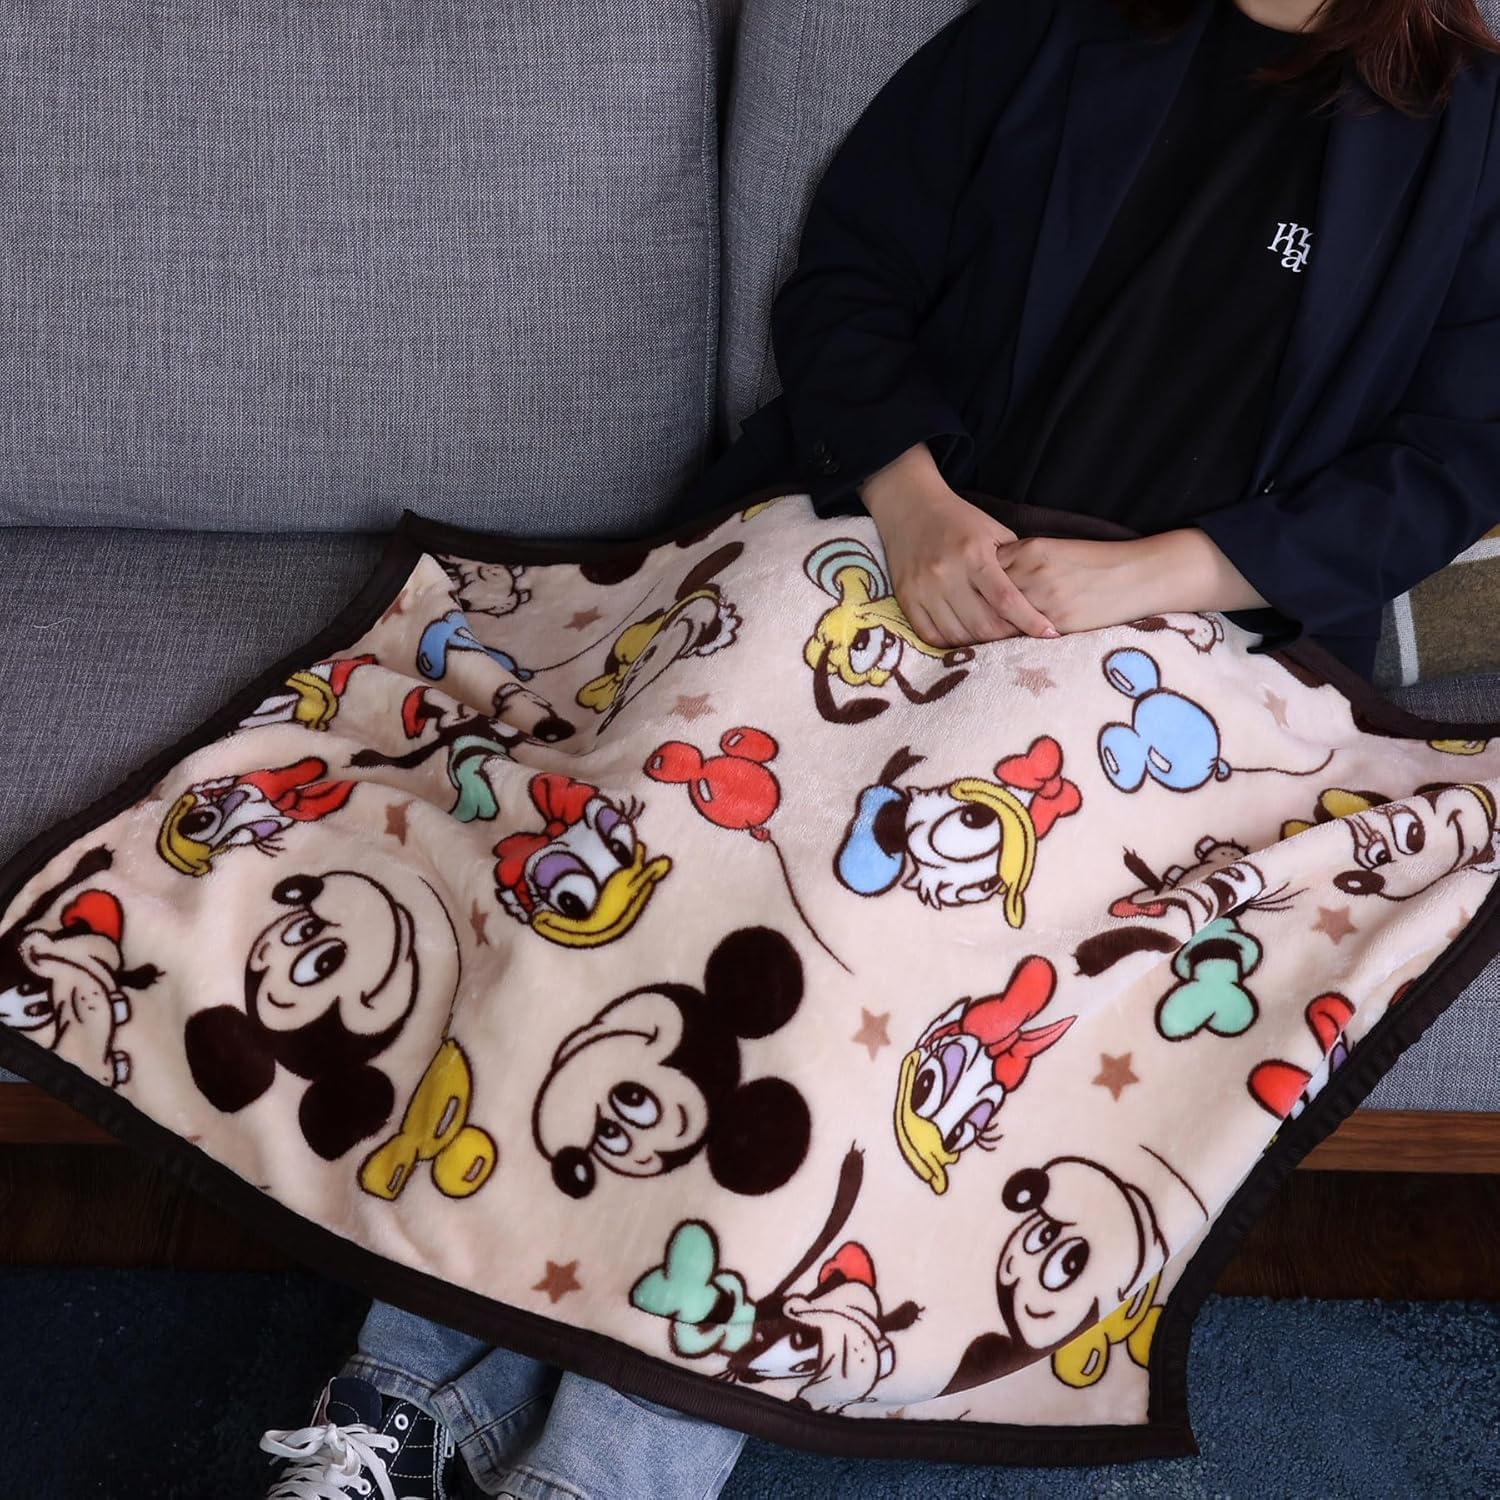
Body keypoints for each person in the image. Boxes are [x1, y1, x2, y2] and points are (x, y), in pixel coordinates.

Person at [259, 0, 1500, 1495]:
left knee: (877, 922)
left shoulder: (1474, 133)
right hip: (877, 549)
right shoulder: (1048, 28)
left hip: (1176, 644)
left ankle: (601, 1469)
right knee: (658, 850)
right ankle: (396, 1397)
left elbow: (1451, 462)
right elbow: (852, 276)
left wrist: (1154, 574)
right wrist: (911, 508)